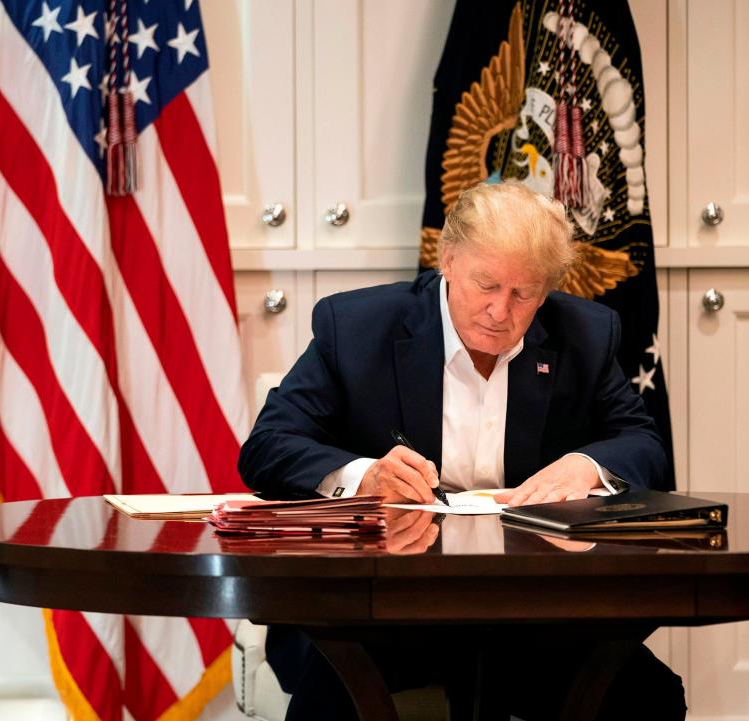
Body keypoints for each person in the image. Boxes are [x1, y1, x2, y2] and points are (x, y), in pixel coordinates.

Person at [238, 181, 685, 720]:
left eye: (524, 293)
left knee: (646, 695)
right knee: (332, 693)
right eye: (487, 284)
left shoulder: (586, 335)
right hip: (380, 609)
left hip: (533, 611)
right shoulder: (356, 328)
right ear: (448, 260)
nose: (501, 310)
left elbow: (643, 444)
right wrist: (364, 476)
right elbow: (267, 446)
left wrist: (588, 465)